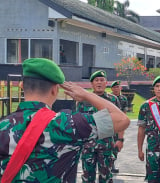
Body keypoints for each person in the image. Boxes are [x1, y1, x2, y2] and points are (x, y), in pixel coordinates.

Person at [0, 58, 130, 182]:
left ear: (22, 86)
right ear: (55, 90)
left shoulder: (2, 126)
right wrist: (86, 94)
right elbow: (122, 120)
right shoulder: (67, 124)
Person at [77, 70, 123, 183]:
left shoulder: (113, 100)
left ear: (106, 83)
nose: (99, 82)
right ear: (92, 84)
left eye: (102, 80)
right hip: (88, 145)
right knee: (88, 177)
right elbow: (78, 123)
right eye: (96, 80)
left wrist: (120, 139)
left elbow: (120, 120)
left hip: (107, 144)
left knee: (106, 177)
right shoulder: (83, 100)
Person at [110, 80, 129, 173]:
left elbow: (124, 114)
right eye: (114, 87)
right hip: (109, 124)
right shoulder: (108, 98)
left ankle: (112, 163)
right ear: (112, 89)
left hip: (118, 125)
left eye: (118, 87)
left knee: (116, 145)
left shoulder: (123, 99)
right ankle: (108, 164)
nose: (116, 89)